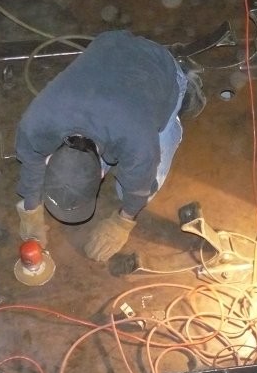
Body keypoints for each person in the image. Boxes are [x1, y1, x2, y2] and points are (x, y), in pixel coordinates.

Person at [15, 30, 205, 262]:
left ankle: (184, 82)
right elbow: (30, 160)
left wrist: (122, 222)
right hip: (110, 43)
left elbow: (138, 189)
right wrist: (30, 210)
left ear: (102, 173)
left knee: (138, 183)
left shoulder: (137, 141)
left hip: (160, 67)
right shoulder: (35, 123)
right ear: (49, 158)